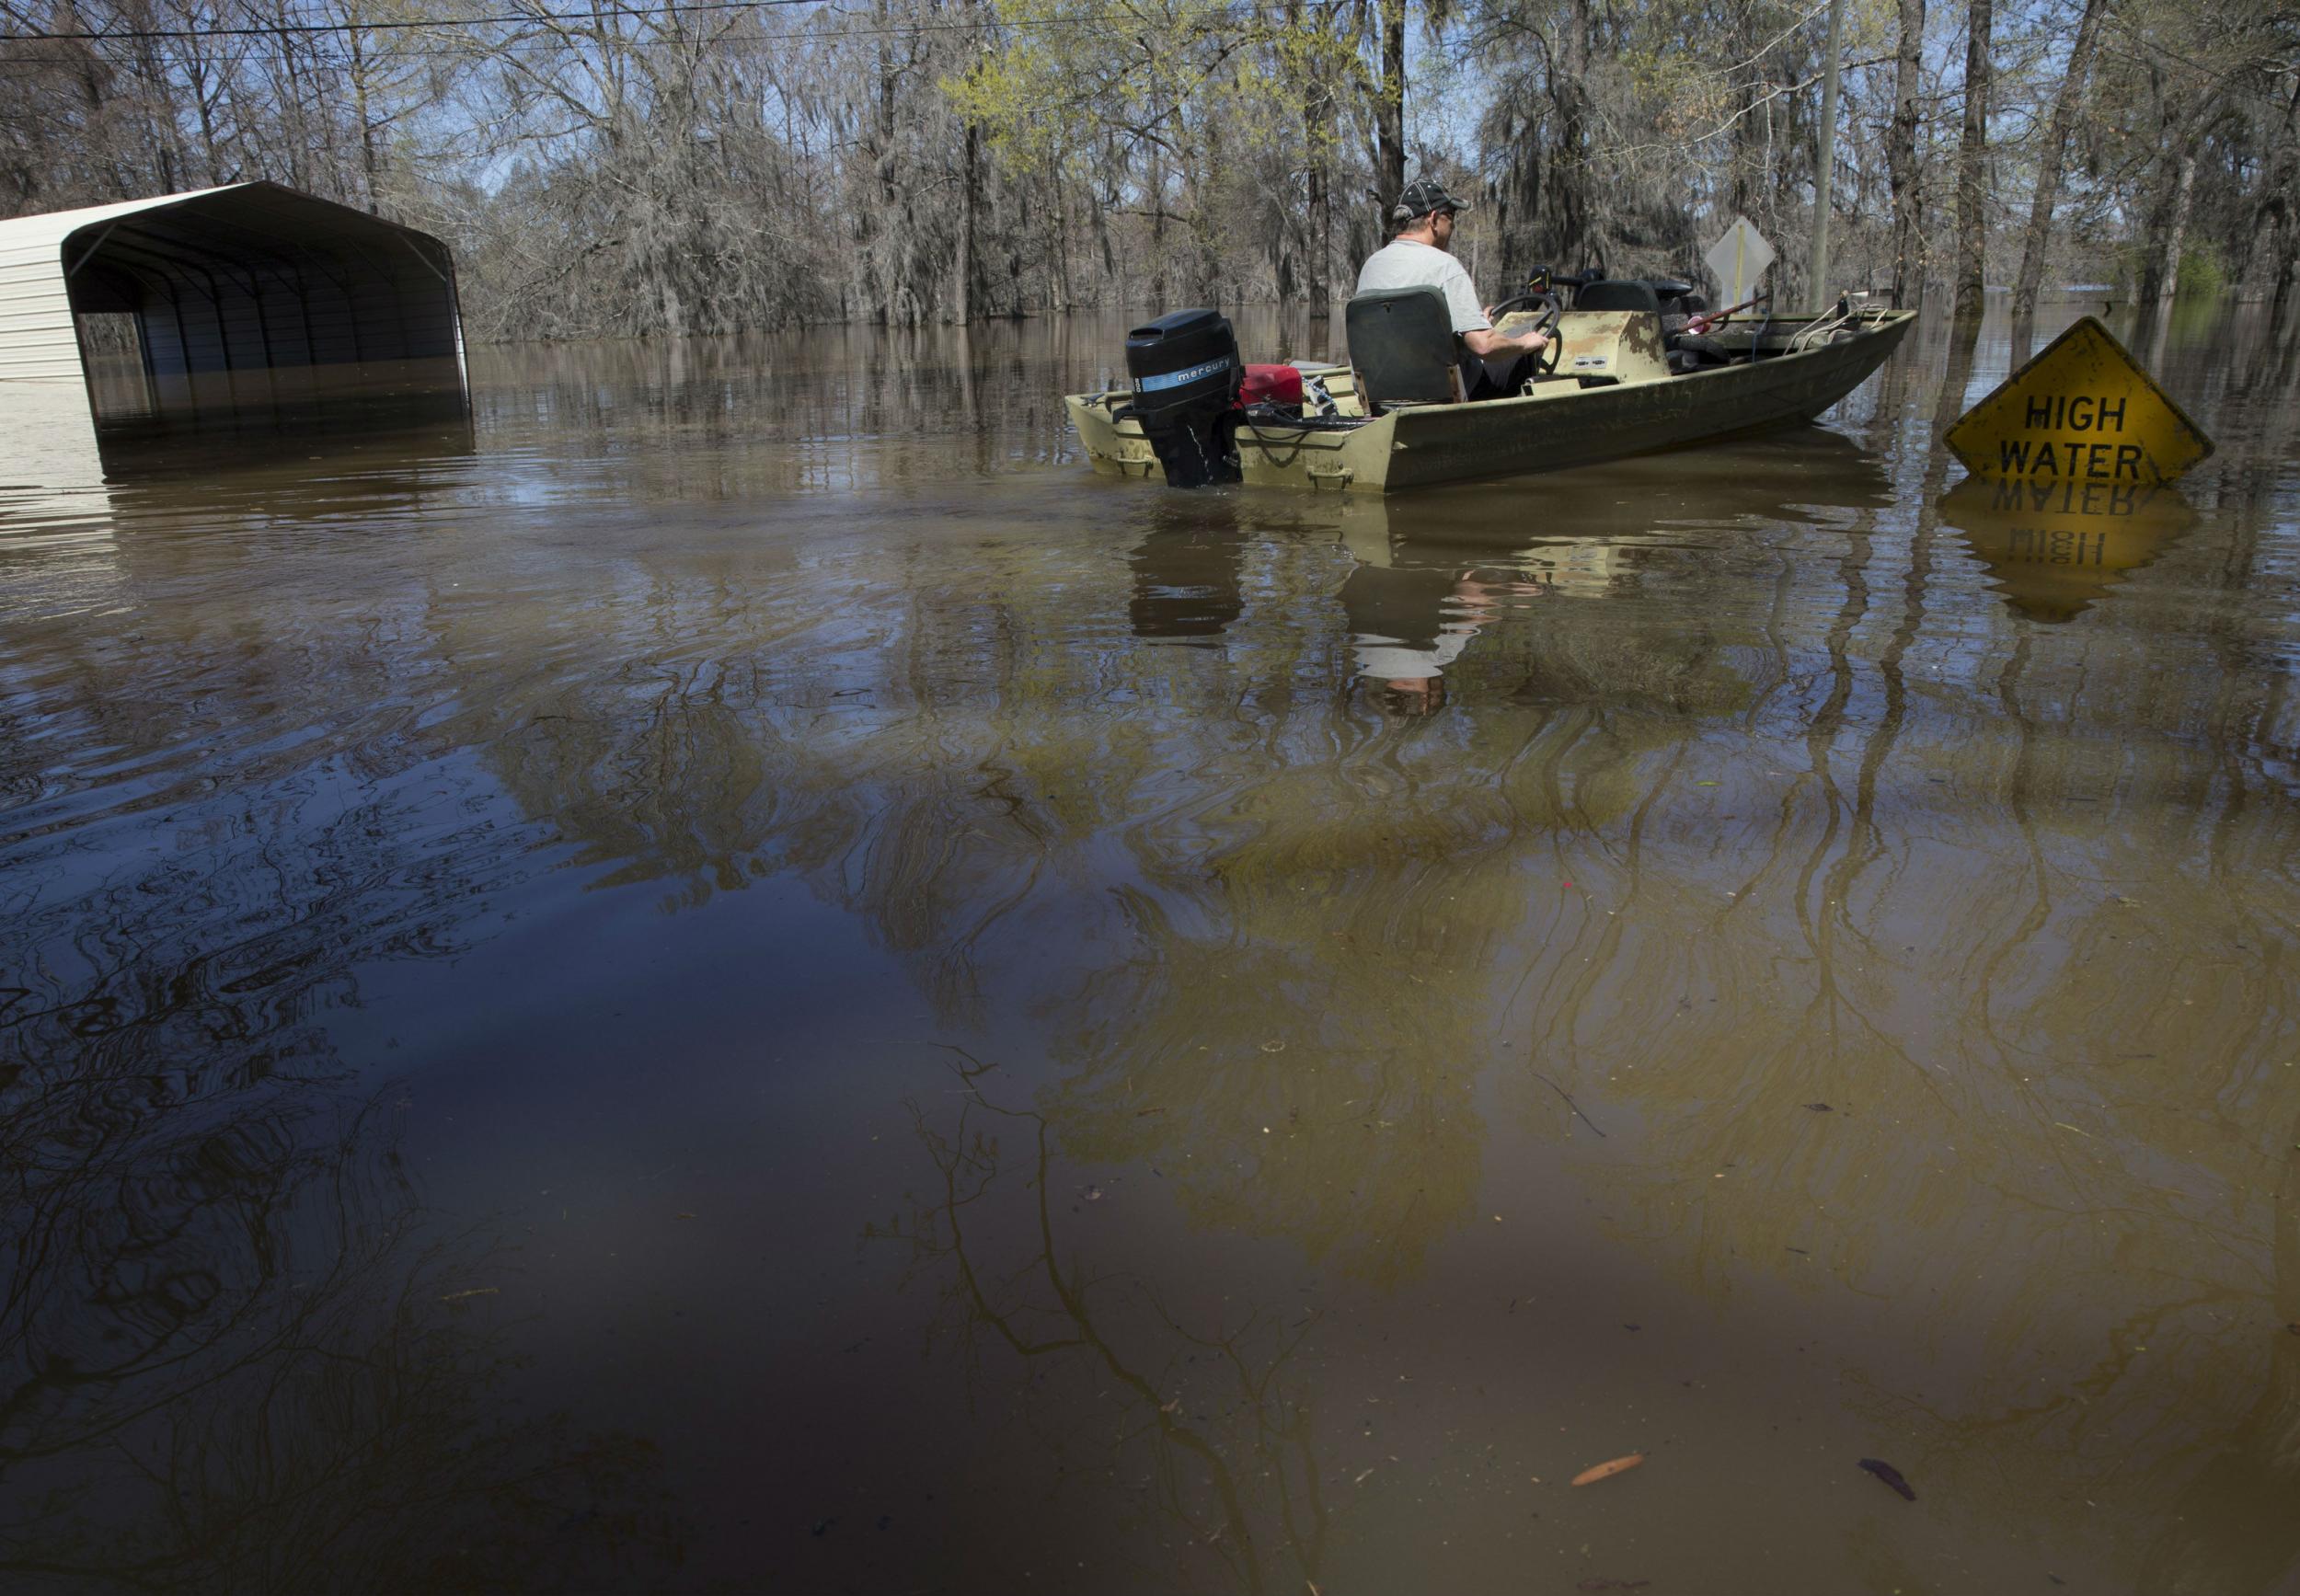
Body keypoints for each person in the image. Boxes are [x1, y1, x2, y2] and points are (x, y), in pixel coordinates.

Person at [1356, 176, 1549, 400]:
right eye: (1452, 216)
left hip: (1382, 394)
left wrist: (1476, 324)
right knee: (1522, 358)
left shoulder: (1371, 266)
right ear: (1434, 219)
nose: (1454, 225)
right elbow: (1483, 346)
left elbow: (1409, 336)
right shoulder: (1444, 265)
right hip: (1444, 394)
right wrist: (1525, 343)